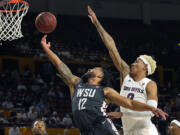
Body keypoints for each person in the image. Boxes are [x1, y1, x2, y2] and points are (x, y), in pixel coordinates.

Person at [40, 34, 167, 135]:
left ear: (100, 76)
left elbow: (130, 103)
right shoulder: (77, 83)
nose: (89, 70)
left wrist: (151, 108)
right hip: (85, 131)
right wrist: (46, 49)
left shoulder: (105, 91)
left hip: (102, 128)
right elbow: (61, 66)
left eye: (93, 69)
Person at [88, 6, 163, 135]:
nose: (133, 64)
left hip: (144, 129)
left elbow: (151, 110)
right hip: (128, 130)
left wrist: (122, 113)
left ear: (145, 67)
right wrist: (97, 23)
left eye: (137, 62)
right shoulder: (125, 73)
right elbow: (111, 47)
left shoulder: (150, 84)